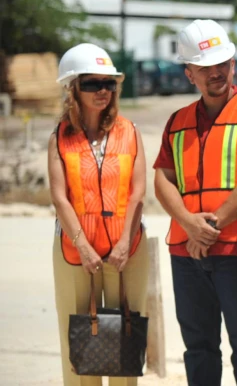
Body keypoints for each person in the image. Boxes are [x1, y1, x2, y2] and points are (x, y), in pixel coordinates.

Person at [154, 19, 237, 386]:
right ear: (189, 72)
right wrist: (188, 222)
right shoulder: (177, 122)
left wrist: (208, 227)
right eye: (205, 67)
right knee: (198, 347)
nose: (216, 73)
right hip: (186, 251)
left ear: (233, 65)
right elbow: (162, 178)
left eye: (222, 64)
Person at [48, 43, 149, 386]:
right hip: (74, 252)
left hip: (128, 250)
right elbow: (60, 197)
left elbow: (138, 194)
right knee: (78, 341)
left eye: (109, 84)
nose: (103, 91)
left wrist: (122, 244)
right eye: (92, 84)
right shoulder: (60, 137)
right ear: (73, 88)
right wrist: (84, 247)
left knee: (124, 336)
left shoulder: (130, 131)